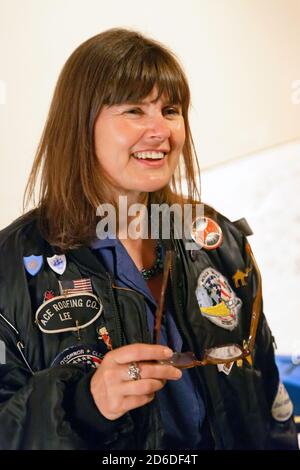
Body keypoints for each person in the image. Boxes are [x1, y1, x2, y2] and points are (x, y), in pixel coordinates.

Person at [0, 27, 297, 451]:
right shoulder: (11, 265)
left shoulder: (219, 242)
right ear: (80, 122)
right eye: (135, 111)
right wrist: (83, 405)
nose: (161, 131)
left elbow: (270, 404)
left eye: (171, 110)